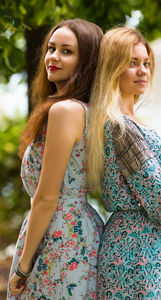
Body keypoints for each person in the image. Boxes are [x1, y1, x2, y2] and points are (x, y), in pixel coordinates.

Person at [87, 27, 161, 299]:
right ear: (113, 67)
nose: (143, 71)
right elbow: (160, 198)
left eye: (146, 63)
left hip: (141, 243)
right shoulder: (121, 127)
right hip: (133, 247)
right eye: (132, 63)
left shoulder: (132, 124)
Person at [7, 18, 104, 300]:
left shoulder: (65, 111)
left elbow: (47, 197)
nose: (53, 57)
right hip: (78, 231)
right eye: (51, 48)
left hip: (59, 237)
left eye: (67, 51)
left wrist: (23, 267)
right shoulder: (87, 110)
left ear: (86, 61)